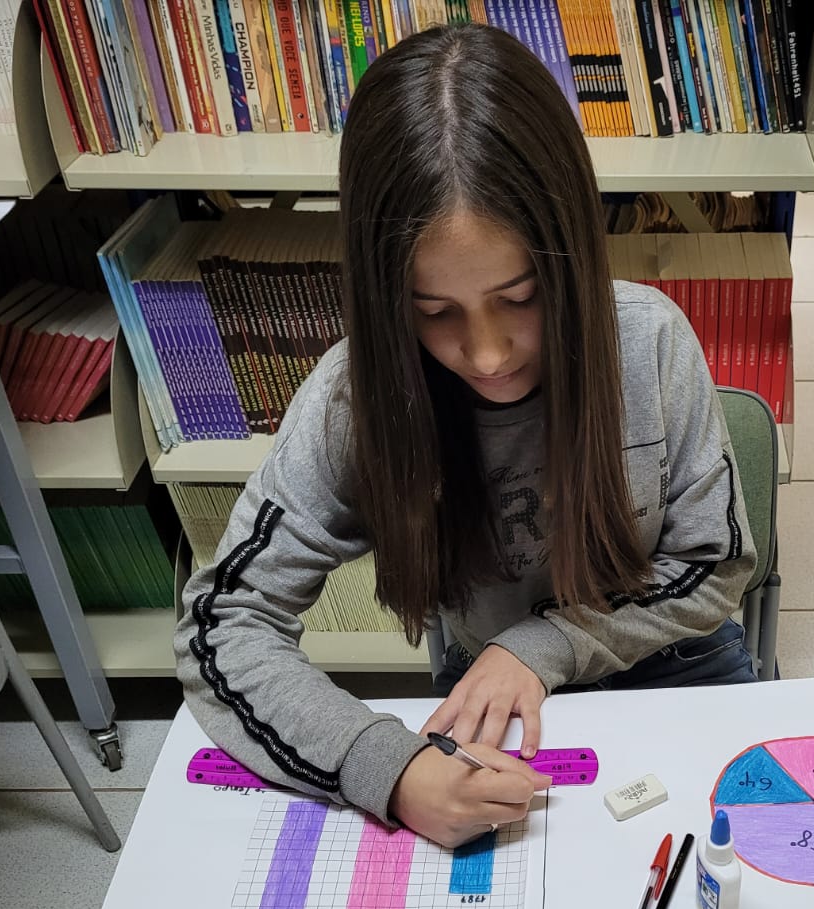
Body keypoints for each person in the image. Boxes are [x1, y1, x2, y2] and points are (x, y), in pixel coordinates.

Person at [175, 23, 756, 849]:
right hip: (487, 698)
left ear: (571, 257)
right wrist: (385, 765)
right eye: (434, 312)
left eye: (520, 297)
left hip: (677, 663)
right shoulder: (354, 398)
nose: (485, 355)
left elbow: (715, 566)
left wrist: (547, 643)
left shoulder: (649, 340)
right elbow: (223, 621)